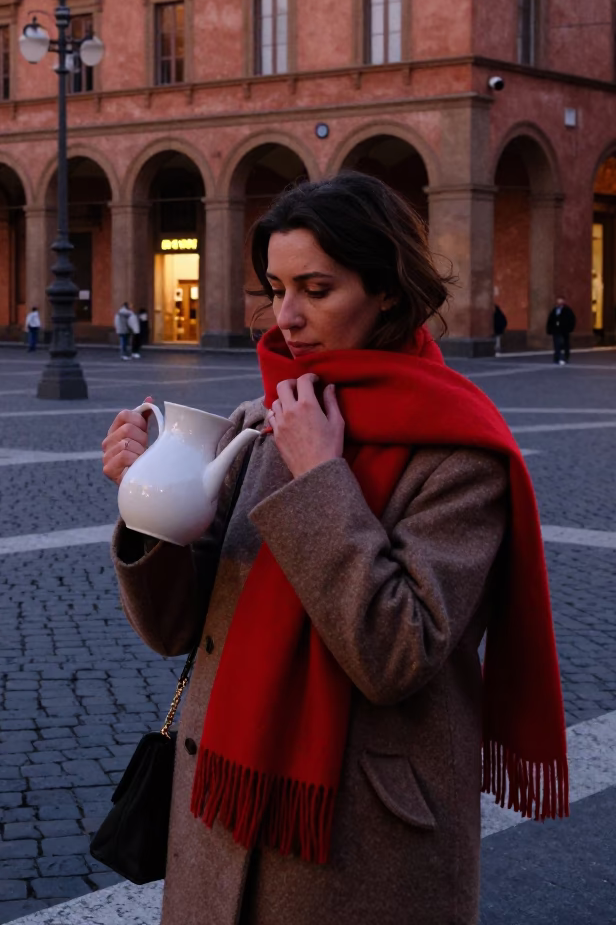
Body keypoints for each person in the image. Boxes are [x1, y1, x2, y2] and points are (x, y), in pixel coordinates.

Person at [101, 173, 567, 925]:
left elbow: (398, 654)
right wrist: (147, 504)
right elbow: (174, 632)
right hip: (219, 818)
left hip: (360, 846)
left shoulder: (458, 452)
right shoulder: (261, 421)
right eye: (276, 287)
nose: (287, 317)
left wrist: (320, 474)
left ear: (385, 289)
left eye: (316, 288)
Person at [547, 295, 576, 364]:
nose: (559, 303)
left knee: (565, 344)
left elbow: (572, 320)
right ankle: (557, 357)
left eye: (561, 301)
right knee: (557, 344)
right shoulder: (554, 310)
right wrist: (549, 329)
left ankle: (565, 357)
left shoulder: (567, 310)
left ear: (563, 302)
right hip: (556, 330)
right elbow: (550, 320)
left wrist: (569, 328)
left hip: (564, 330)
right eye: (558, 301)